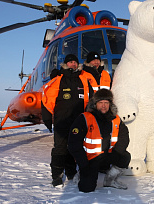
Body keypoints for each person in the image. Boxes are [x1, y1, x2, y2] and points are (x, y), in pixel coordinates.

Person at [41, 54, 94, 187]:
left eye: (75, 62)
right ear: (65, 64)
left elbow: (92, 101)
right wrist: (47, 119)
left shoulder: (84, 80)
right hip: (62, 122)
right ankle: (57, 175)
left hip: (78, 122)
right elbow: (47, 100)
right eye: (70, 62)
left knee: (74, 147)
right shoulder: (58, 80)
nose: (73, 64)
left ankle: (71, 172)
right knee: (60, 149)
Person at [68, 89, 131, 193]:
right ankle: (81, 173)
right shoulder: (85, 118)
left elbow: (124, 136)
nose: (103, 106)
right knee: (87, 188)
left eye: (106, 103)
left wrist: (118, 151)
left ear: (110, 104)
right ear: (95, 104)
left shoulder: (116, 119)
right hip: (90, 159)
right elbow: (73, 143)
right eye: (100, 102)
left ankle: (110, 180)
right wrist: (83, 163)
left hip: (108, 155)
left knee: (125, 157)